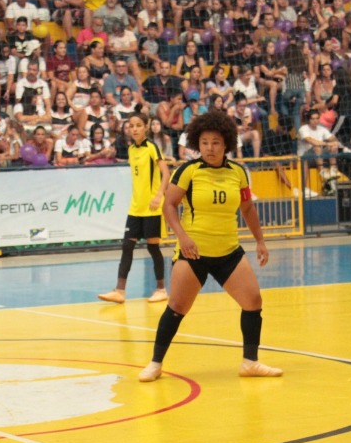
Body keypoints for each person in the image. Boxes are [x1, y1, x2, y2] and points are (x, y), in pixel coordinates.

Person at [138, 110, 281, 382]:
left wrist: (260, 241)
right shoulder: (189, 171)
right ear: (197, 144)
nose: (210, 148)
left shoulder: (238, 173)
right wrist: (182, 237)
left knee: (253, 301)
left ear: (226, 143)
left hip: (229, 252)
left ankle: (250, 362)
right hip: (194, 253)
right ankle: (155, 364)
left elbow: (247, 208)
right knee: (177, 307)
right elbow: (169, 205)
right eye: (204, 143)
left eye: (215, 143)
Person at [98, 112, 170, 305]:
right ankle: (119, 291)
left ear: (146, 127)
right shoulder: (131, 150)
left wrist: (159, 195)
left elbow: (166, 173)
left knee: (153, 247)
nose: (135, 129)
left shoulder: (152, 147)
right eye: (131, 125)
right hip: (136, 207)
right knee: (127, 246)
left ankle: (161, 289)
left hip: (152, 207)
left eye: (138, 125)